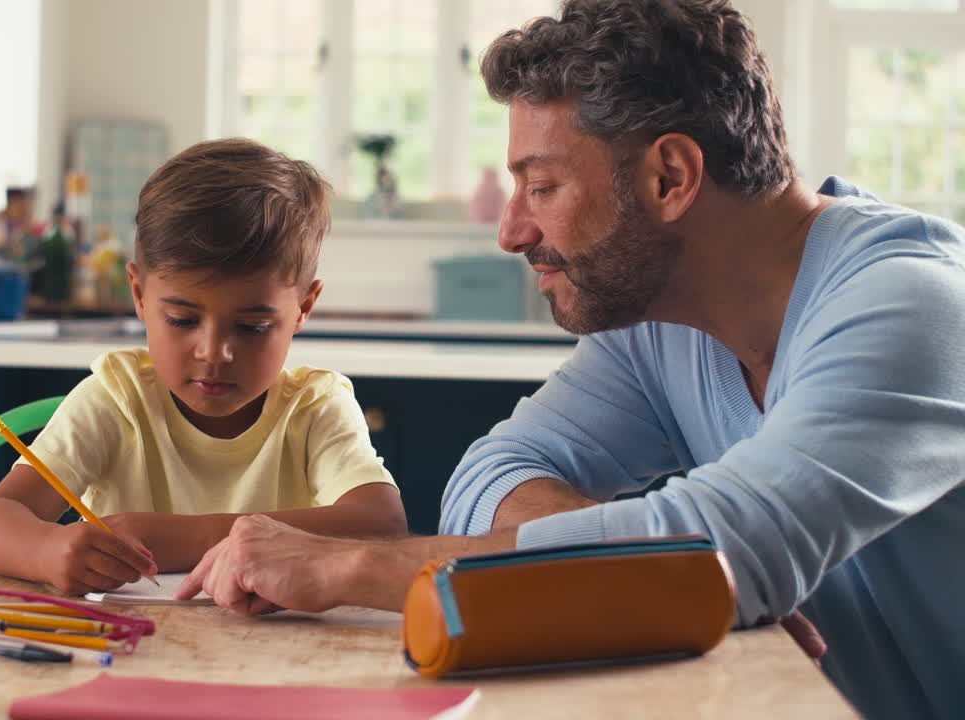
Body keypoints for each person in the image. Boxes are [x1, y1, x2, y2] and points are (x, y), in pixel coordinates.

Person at [175, 3, 965, 719]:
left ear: (670, 177)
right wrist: (637, 567)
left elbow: (715, 553)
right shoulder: (662, 316)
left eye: (543, 187)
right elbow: (490, 476)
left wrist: (354, 570)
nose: (511, 232)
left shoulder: (910, 306)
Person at [0, 138, 408, 596]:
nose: (214, 352)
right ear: (138, 295)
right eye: (182, 320)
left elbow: (381, 522)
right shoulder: (115, 398)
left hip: (275, 655)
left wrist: (180, 537)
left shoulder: (315, 408)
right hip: (129, 648)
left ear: (304, 306)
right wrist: (47, 550)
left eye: (253, 326)